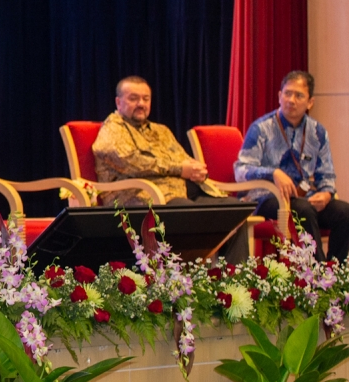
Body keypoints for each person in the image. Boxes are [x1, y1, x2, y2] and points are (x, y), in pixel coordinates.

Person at [93, 75, 247, 262]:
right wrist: (178, 169)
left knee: (236, 210)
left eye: (146, 99)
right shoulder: (113, 129)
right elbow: (128, 160)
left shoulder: (161, 130)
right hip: (139, 199)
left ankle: (237, 278)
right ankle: (198, 280)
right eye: (134, 98)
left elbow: (183, 159)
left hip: (178, 195)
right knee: (190, 213)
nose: (141, 103)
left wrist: (195, 169)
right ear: (119, 102)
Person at [235, 71, 349, 261]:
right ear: (279, 96)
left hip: (302, 197)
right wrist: (273, 173)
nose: (291, 100)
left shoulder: (317, 132)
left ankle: (336, 270)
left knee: (345, 213)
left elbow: (327, 175)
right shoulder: (261, 128)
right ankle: (318, 272)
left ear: (310, 103)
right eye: (287, 93)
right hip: (265, 199)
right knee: (303, 209)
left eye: (298, 95)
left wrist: (326, 194)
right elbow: (240, 170)